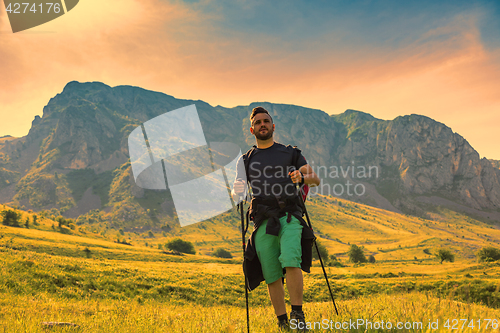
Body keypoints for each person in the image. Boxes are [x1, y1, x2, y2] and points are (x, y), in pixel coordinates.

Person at [232, 106, 320, 331]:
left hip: (289, 215)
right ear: (252, 129)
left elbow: (315, 179)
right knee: (271, 272)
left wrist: (301, 175)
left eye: (266, 121)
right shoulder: (245, 160)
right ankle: (282, 322)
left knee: (291, 258)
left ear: (273, 126)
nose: (263, 124)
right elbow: (236, 193)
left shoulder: (291, 153)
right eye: (258, 122)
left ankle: (297, 315)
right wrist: (238, 190)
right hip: (262, 220)